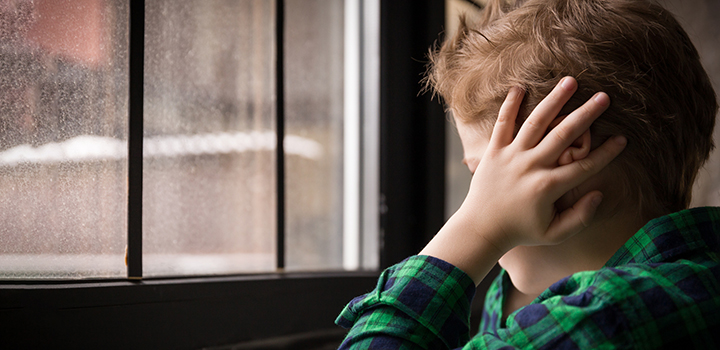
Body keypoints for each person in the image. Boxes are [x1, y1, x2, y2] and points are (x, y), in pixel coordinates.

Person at [336, 0, 720, 348]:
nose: (478, 200)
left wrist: (477, 230)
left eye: (485, 174)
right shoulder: (694, 278)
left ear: (563, 155)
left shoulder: (603, 318)